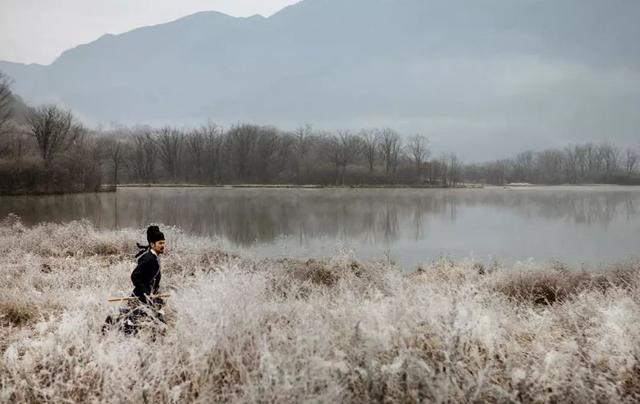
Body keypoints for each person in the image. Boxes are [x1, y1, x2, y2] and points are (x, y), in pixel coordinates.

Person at [131, 226, 165, 305]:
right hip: (140, 298)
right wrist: (146, 293)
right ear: (152, 244)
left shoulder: (155, 257)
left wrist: (155, 294)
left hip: (149, 298)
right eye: (160, 243)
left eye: (163, 243)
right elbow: (135, 276)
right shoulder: (148, 258)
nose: (163, 245)